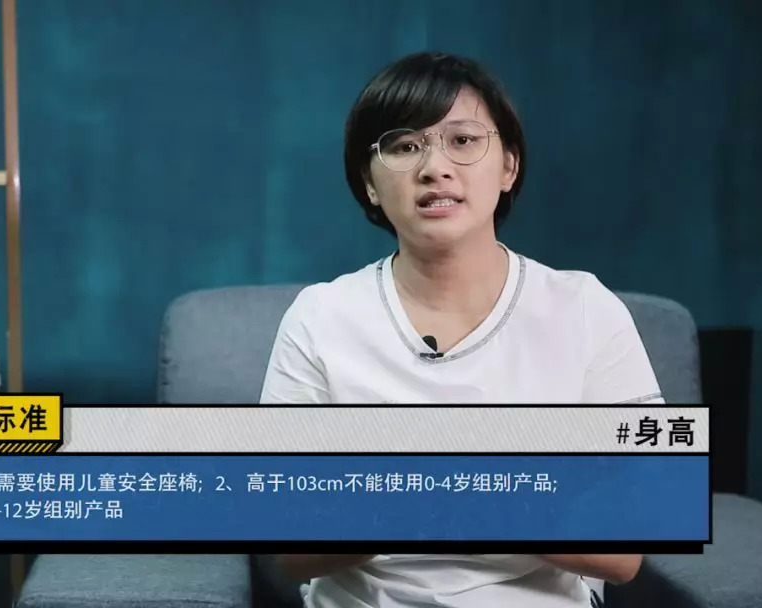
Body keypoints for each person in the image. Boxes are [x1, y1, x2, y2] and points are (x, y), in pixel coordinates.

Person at [259, 52, 661, 607]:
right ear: (369, 183)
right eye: (404, 147)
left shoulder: (585, 309)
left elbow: (623, 552)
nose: (435, 167)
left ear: (509, 166)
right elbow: (287, 549)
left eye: (464, 140)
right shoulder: (320, 316)